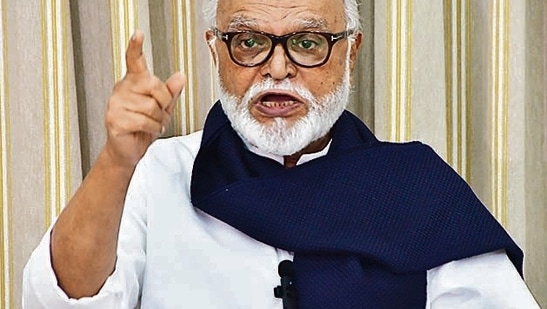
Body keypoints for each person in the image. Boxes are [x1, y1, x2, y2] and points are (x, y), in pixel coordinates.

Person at [23, 0, 540, 308]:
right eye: (248, 41)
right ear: (214, 50)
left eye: (308, 42)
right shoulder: (154, 174)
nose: (276, 69)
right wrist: (116, 161)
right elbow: (59, 304)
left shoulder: (416, 187)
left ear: (351, 51)